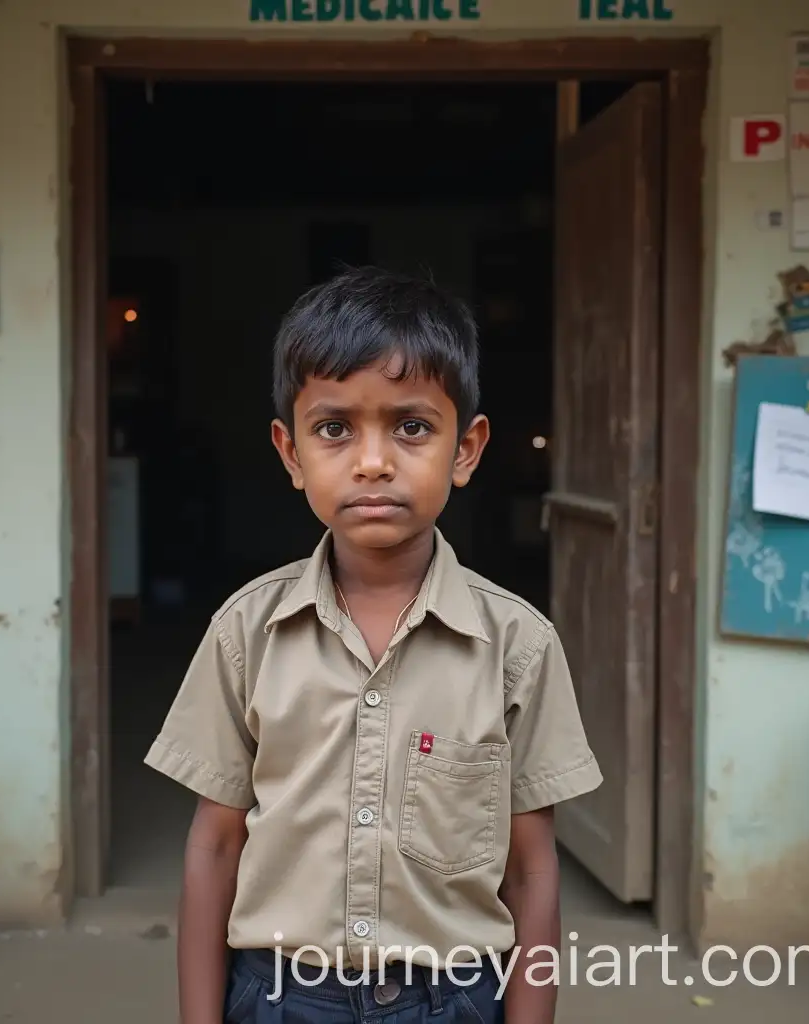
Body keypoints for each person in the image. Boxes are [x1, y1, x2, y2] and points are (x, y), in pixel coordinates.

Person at [144, 266, 603, 1024]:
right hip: (280, 996)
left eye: (412, 427)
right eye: (334, 429)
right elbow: (214, 848)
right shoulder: (244, 633)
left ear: (467, 448)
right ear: (291, 454)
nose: (372, 461)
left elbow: (531, 869)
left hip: (453, 997)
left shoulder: (518, 644)